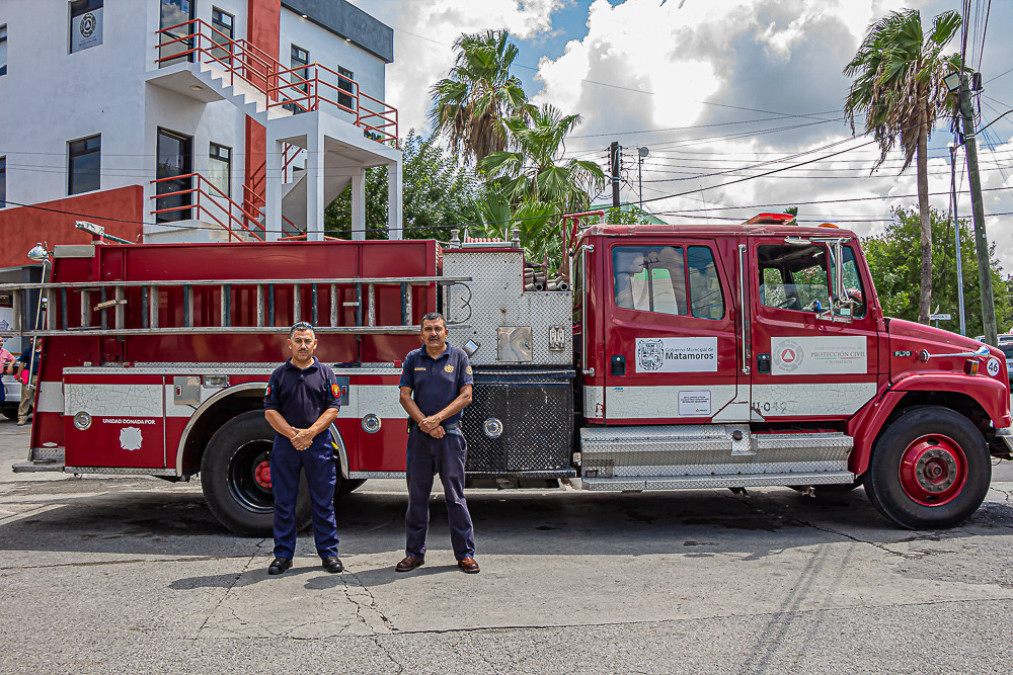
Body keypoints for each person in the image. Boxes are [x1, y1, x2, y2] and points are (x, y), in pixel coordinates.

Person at [395, 312, 479, 574]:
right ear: (421, 334)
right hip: (421, 438)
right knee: (417, 498)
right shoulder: (412, 359)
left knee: (455, 497)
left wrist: (438, 420)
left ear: (446, 333)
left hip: (450, 437)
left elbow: (466, 396)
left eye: (438, 329)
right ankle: (414, 554)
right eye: (428, 329)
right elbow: (404, 396)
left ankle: (465, 554)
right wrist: (425, 424)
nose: (433, 333)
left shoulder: (459, 357)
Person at [263, 321, 343, 575]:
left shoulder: (326, 374)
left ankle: (329, 554)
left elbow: (333, 408)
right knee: (284, 502)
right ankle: (283, 556)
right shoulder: (278, 375)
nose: (303, 345)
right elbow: (270, 411)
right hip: (287, 444)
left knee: (323, 502)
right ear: (290, 344)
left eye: (308, 340)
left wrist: (309, 433)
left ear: (315, 344)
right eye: (298, 340)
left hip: (317, 442)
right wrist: (293, 435)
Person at [16, 337, 42, 426]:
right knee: (25, 398)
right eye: (30, 341)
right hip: (29, 377)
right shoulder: (28, 351)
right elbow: (22, 363)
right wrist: (19, 375)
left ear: (39, 340)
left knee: (38, 398)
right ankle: (22, 417)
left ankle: (37, 418)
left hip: (39, 377)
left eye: (33, 341)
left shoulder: (44, 351)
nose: (31, 343)